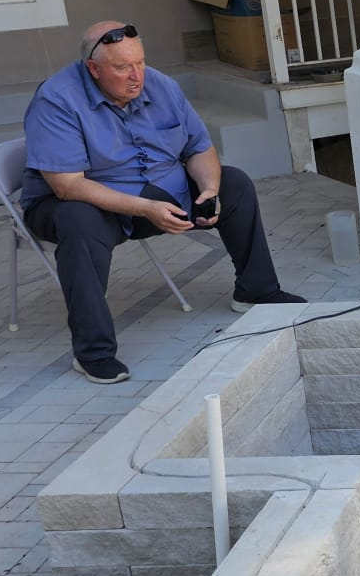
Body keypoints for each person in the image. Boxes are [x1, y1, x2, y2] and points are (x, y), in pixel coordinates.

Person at [22, 21, 304, 383]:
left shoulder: (160, 84)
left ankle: (257, 291)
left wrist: (209, 190)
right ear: (93, 69)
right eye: (122, 67)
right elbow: (67, 186)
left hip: (158, 193)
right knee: (79, 222)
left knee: (234, 183)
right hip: (86, 201)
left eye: (139, 62)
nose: (136, 75)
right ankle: (93, 352)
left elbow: (199, 146)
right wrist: (145, 209)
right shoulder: (56, 99)